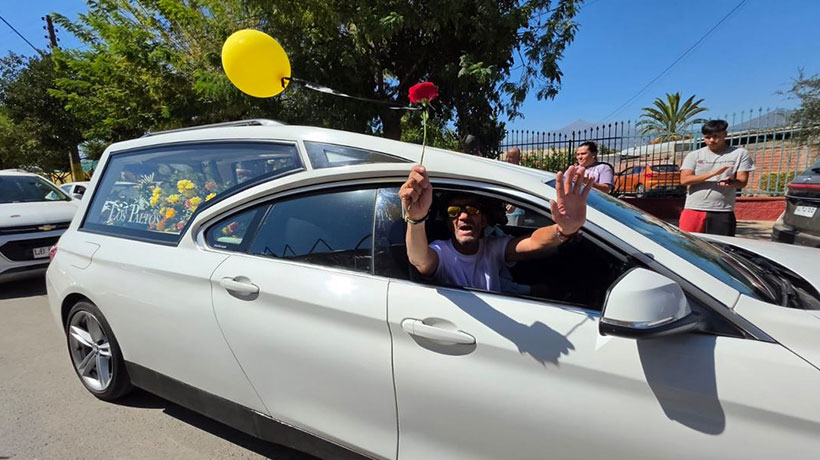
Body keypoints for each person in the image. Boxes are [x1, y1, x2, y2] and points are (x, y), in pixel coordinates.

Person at [398, 164, 593, 291]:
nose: (464, 216)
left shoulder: (492, 248)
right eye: (454, 210)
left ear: (483, 220)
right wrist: (415, 219)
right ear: (449, 222)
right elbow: (419, 259)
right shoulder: (442, 252)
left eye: (472, 210)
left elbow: (533, 242)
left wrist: (564, 230)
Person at [679, 120, 754, 236]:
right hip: (694, 209)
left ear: (725, 134)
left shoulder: (740, 154)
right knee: (687, 246)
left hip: (722, 211)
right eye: (707, 137)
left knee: (721, 249)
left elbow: (742, 182)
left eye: (715, 136)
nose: (711, 141)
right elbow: (685, 179)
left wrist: (731, 182)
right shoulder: (694, 155)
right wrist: (713, 174)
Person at [503, 147, 526, 226]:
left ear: (518, 159)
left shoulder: (521, 173)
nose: (508, 159)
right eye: (507, 156)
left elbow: (522, 190)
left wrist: (514, 205)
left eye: (511, 157)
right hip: (505, 211)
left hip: (516, 212)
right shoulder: (506, 171)